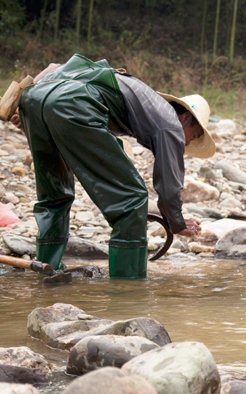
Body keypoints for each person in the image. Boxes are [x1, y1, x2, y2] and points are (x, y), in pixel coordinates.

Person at [7, 53, 216, 279]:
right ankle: (127, 287)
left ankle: (47, 269)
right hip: (73, 102)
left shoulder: (137, 94)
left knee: (54, 193)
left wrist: (34, 110)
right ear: (185, 118)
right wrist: (177, 222)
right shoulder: (170, 124)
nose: (187, 144)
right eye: (193, 136)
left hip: (35, 96)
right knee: (132, 198)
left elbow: (54, 66)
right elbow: (168, 185)